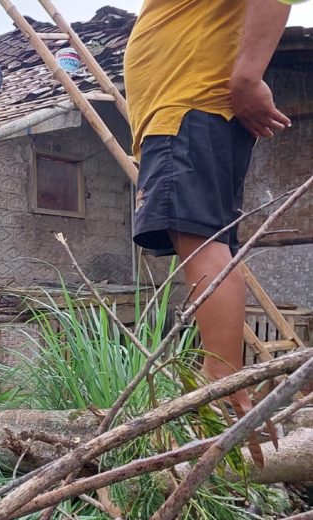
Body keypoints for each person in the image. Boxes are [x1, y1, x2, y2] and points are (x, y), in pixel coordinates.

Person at [124, 0, 292, 414]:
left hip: (187, 107)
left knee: (201, 245)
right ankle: (224, 382)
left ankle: (220, 385)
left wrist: (249, 76)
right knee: (208, 245)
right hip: (191, 111)